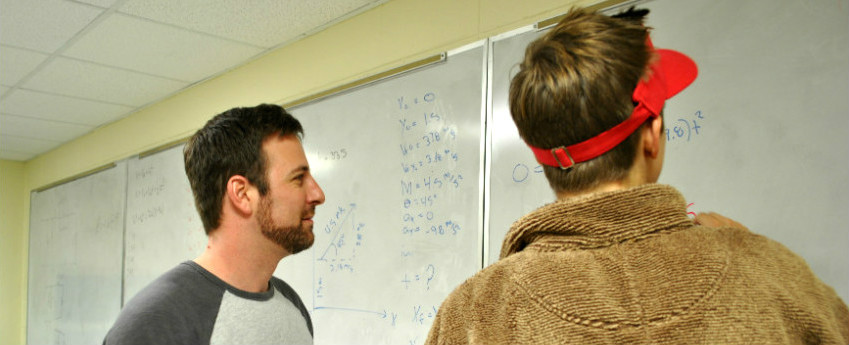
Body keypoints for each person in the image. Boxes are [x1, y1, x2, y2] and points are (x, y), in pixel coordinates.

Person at [425, 7, 848, 345]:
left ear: (543, 155)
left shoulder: (472, 315)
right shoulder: (775, 276)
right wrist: (753, 257)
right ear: (653, 134)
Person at [103, 104, 326, 345]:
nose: (318, 194)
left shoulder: (291, 305)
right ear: (241, 194)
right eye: (298, 179)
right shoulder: (157, 323)